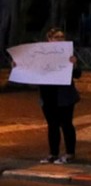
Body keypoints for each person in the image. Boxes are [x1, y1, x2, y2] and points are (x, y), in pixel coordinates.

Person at [31, 28, 80, 164]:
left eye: (62, 37)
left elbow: (77, 74)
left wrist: (74, 64)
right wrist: (18, 66)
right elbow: (31, 69)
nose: (60, 40)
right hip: (48, 95)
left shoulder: (68, 53)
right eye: (56, 37)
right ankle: (53, 153)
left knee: (66, 124)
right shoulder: (41, 55)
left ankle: (70, 153)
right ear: (49, 39)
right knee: (52, 125)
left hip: (64, 96)